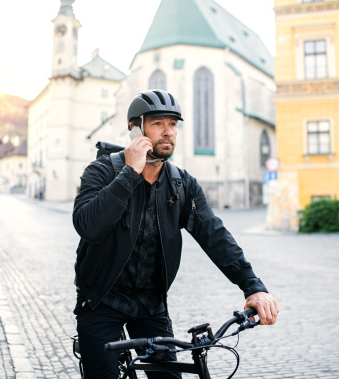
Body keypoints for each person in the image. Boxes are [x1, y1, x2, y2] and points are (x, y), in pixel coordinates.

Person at [72, 89, 278, 379]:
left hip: (151, 305)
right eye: (157, 123)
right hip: (101, 301)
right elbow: (88, 226)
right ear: (135, 129)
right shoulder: (102, 171)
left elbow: (214, 234)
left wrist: (252, 286)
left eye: (173, 124)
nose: (168, 132)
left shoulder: (182, 185)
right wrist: (129, 173)